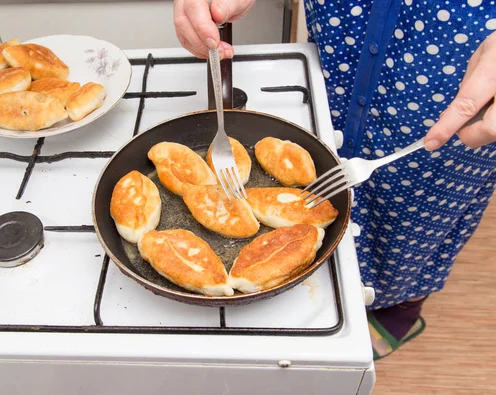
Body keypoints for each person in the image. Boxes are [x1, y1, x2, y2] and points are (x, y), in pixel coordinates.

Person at [173, 0, 496, 359]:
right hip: (343, 46)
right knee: (324, 147)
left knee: (420, 214)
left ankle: (403, 302)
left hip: (455, 82)